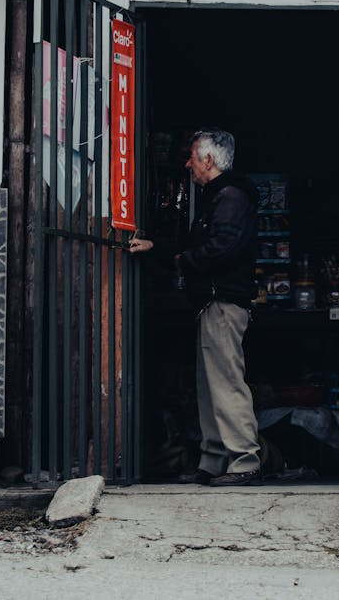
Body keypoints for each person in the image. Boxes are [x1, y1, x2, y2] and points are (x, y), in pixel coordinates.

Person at [130, 127, 262, 487]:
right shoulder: (220, 195)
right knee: (209, 384)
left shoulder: (230, 195)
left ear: (208, 159)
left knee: (225, 382)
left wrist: (183, 261)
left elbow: (223, 246)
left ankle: (244, 459)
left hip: (223, 300)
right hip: (212, 300)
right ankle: (215, 459)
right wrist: (158, 249)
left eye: (192, 156)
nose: (187, 164)